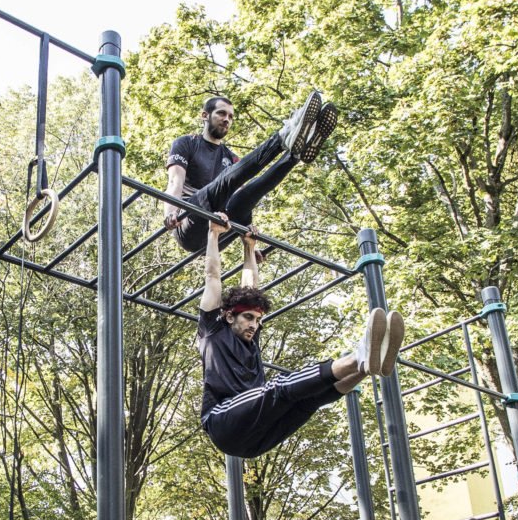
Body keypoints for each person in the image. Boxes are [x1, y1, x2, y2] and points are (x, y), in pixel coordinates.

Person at [195, 214, 404, 459]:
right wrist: (214, 233)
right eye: (248, 318)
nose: (254, 325)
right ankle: (358, 355)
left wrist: (249, 248)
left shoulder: (250, 339)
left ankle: (366, 367)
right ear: (230, 316)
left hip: (255, 441)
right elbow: (212, 276)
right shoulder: (212, 329)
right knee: (279, 388)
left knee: (306, 402)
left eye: (258, 319)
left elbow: (251, 289)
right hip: (222, 422)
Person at [163, 91, 339, 254]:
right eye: (221, 114)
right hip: (189, 224)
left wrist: (249, 240)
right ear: (205, 116)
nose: (227, 120)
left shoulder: (231, 158)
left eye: (231, 117)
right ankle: (282, 137)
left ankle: (294, 155)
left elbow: (244, 199)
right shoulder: (186, 143)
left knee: (254, 188)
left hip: (219, 231)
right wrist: (171, 212)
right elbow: (174, 182)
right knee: (226, 180)